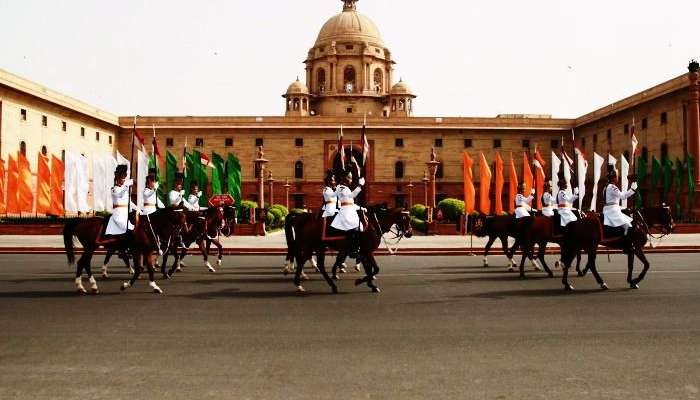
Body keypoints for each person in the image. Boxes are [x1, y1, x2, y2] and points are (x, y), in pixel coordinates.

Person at [603, 167, 638, 235]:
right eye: (617, 177)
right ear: (613, 178)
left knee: (628, 210)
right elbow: (623, 196)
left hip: (610, 208)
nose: (617, 178)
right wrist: (632, 190)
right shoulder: (612, 187)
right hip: (612, 210)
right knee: (628, 225)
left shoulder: (606, 187)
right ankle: (624, 240)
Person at [105, 165, 138, 236]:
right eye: (122, 178)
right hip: (118, 215)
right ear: (118, 179)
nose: (124, 180)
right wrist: (126, 187)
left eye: (124, 178)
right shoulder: (114, 189)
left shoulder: (125, 190)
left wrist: (138, 209)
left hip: (126, 214)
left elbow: (129, 203)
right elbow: (119, 195)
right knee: (129, 228)